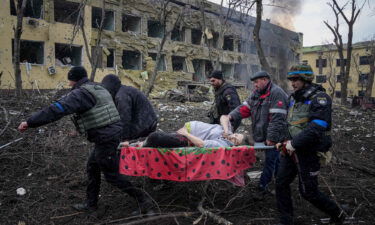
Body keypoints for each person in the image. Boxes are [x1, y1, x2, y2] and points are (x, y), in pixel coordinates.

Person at [18, 66, 152, 214]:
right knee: (92, 167)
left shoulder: (81, 93)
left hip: (106, 138)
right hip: (109, 135)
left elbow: (56, 109)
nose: (69, 85)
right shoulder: (96, 87)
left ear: (73, 81)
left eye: (69, 81)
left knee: (112, 176)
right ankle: (91, 204)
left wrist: (30, 122)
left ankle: (144, 200)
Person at [275, 64, 344, 225]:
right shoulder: (293, 98)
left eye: (296, 79)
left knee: (308, 192)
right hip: (291, 151)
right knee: (281, 183)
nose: (293, 83)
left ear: (306, 79)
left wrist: (294, 143)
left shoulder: (319, 98)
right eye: (291, 79)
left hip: (309, 152)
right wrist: (283, 140)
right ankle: (286, 221)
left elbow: (317, 127)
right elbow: (290, 123)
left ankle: (338, 214)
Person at [222, 71, 288, 195]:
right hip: (263, 135)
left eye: (257, 82)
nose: (255, 85)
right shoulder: (256, 94)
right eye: (253, 83)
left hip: (276, 136)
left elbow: (278, 119)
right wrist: (231, 116)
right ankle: (279, 183)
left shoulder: (276, 93)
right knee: (276, 160)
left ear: (265, 80)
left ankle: (263, 187)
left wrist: (272, 138)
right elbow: (245, 108)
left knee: (271, 161)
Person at [101, 74, 157, 141]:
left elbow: (124, 118)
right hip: (147, 122)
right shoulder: (123, 91)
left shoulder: (121, 96)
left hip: (145, 125)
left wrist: (124, 139)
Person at [127, 119, 250, 148]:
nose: (233, 137)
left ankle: (134, 145)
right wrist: (227, 130)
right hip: (187, 131)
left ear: (234, 146)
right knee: (157, 137)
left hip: (186, 139)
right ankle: (134, 143)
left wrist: (186, 133)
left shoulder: (222, 144)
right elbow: (224, 117)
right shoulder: (227, 132)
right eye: (236, 135)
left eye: (235, 140)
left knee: (155, 137)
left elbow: (201, 144)